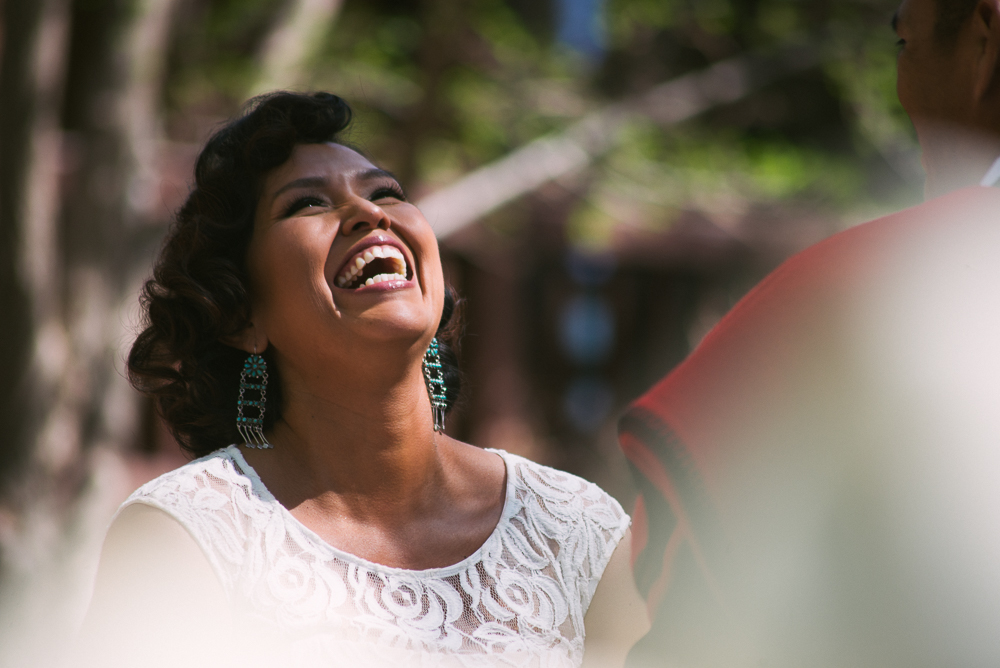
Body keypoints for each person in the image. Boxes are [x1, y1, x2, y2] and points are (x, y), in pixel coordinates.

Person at [77, 92, 647, 668]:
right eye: (306, 204)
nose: (370, 214)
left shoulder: (573, 531)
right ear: (241, 315)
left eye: (386, 194)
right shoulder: (184, 538)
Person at [620, 0, 1000, 666]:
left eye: (904, 42)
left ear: (984, 38)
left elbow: (694, 598)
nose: (903, 90)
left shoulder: (862, 296)